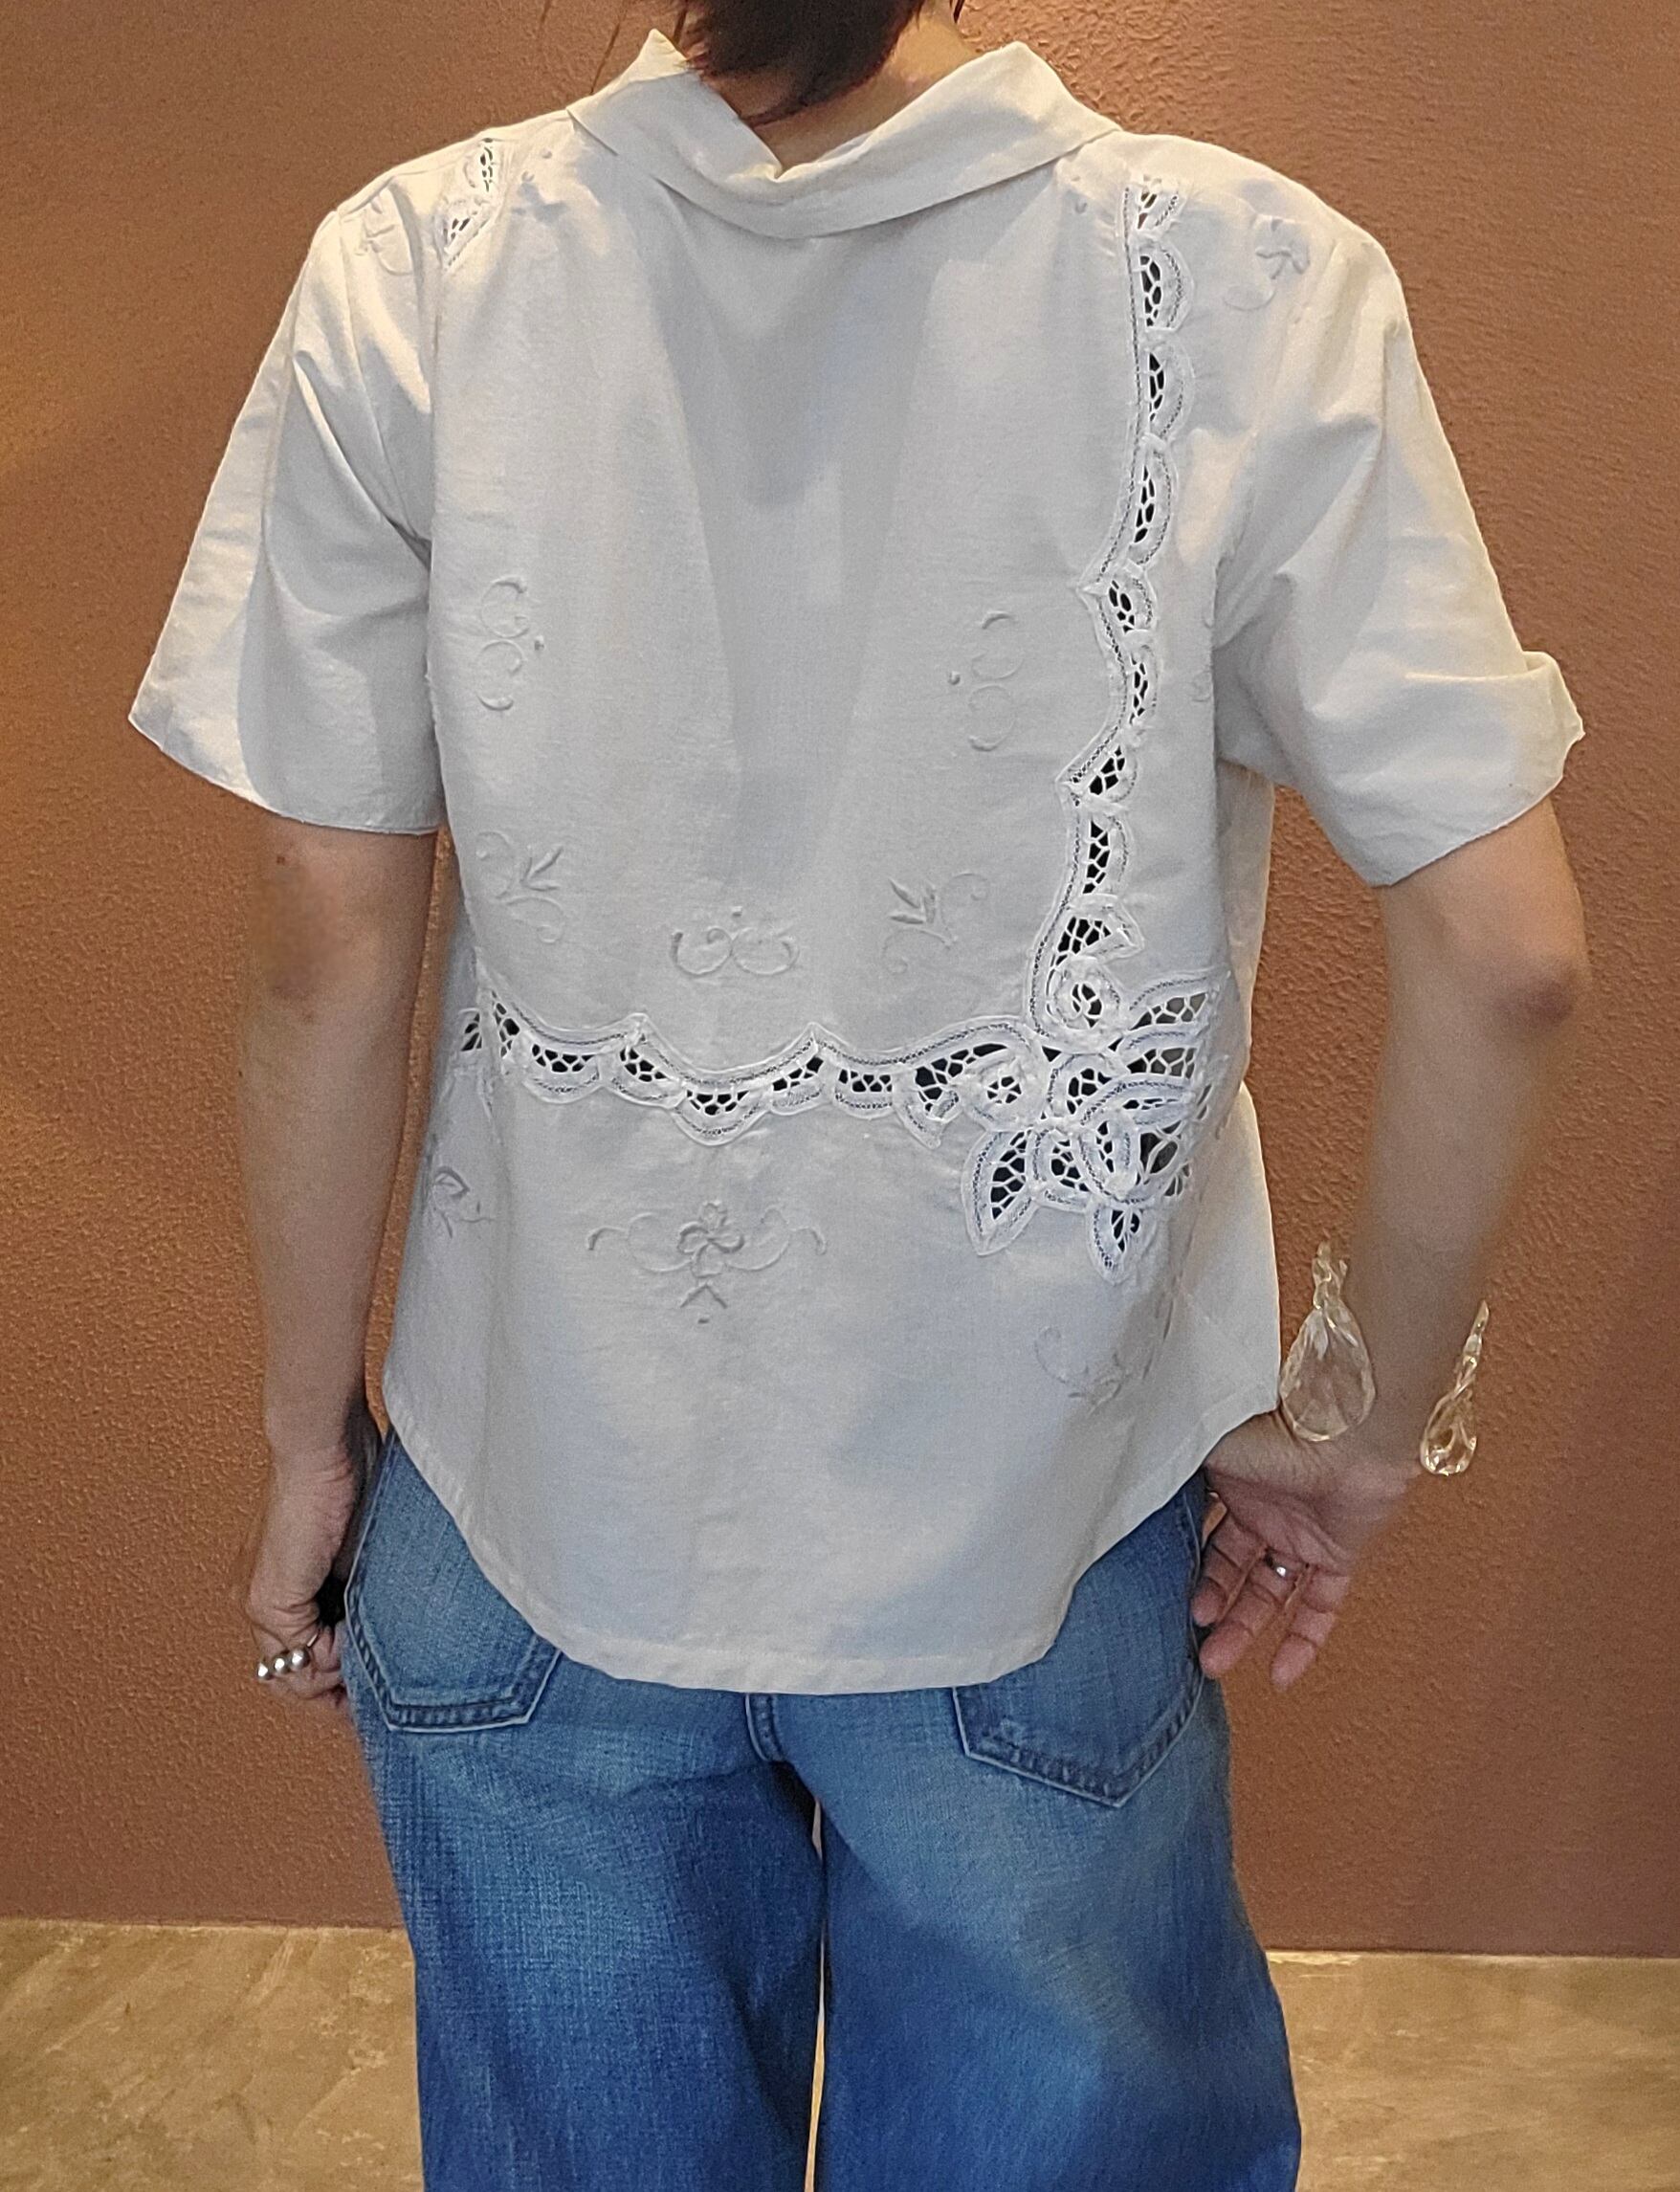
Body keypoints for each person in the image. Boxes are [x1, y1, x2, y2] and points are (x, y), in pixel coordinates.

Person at [126, 2, 1590, 2185]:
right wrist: (1362, 1426)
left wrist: (302, 1443)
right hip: (1036, 1520)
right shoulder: (1246, 274)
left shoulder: (415, 267)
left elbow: (329, 949)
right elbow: (1510, 952)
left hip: (529, 1484)